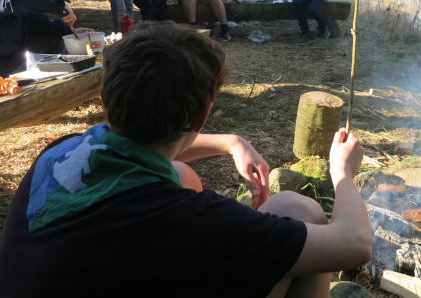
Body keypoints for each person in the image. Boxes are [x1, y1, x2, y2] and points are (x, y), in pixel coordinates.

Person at [0, 21, 372, 297]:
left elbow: (141, 147)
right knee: (298, 207)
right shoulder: (187, 220)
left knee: (179, 172)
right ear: (200, 116)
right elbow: (355, 244)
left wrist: (230, 141)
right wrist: (342, 174)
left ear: (106, 97)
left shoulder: (61, 151)